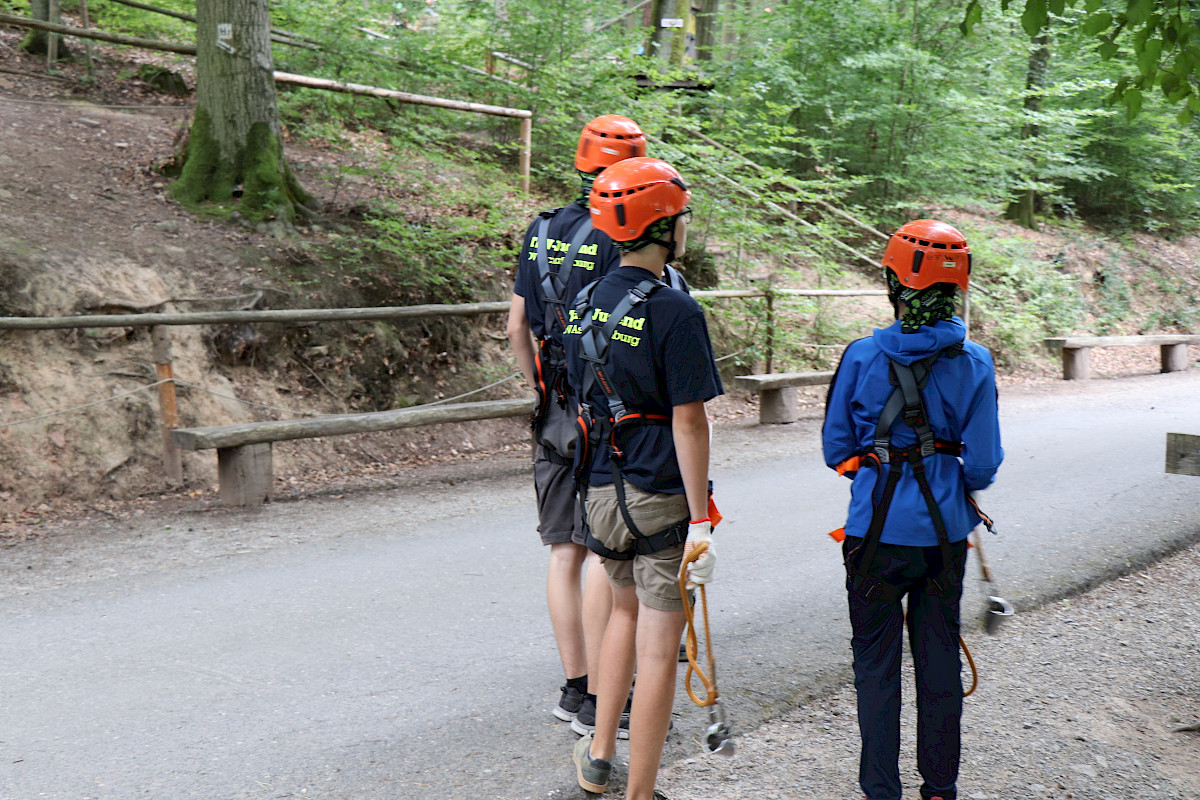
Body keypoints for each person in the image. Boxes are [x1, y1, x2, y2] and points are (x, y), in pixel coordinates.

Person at [821, 219, 1004, 800]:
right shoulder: (974, 361)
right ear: (959, 288)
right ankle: (940, 789)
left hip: (872, 536)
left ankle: (881, 789)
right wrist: (951, 477)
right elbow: (984, 463)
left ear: (893, 283)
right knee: (938, 661)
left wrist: (875, 463)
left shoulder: (860, 355)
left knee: (875, 668)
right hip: (945, 536)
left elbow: (835, 449)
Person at [565, 157, 723, 800]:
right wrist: (702, 515)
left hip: (600, 488)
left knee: (622, 611)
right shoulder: (675, 312)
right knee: (660, 643)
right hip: (658, 492)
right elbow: (690, 423)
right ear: (665, 226)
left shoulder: (582, 301)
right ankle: (640, 792)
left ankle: (601, 756)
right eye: (681, 217)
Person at [507, 115, 649, 730]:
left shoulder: (540, 230)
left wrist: (540, 386)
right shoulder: (622, 232)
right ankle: (604, 696)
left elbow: (516, 327)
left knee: (562, 550)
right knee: (601, 550)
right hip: (604, 410)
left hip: (552, 408)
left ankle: (574, 685)